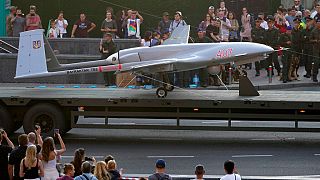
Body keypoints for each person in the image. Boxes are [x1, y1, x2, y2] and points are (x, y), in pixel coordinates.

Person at [310, 16, 320, 82]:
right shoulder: (313, 31)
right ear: (316, 23)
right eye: (318, 23)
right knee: (316, 63)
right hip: (316, 49)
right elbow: (310, 40)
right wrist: (315, 41)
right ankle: (314, 76)